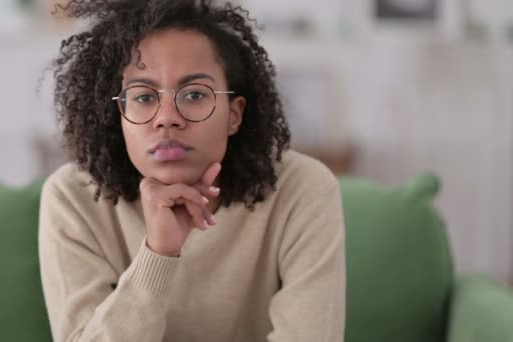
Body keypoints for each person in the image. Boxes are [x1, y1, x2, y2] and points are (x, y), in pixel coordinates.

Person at [38, 0, 346, 341]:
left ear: (234, 114)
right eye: (142, 97)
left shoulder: (302, 189)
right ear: (118, 116)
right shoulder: (72, 198)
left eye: (195, 94)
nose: (167, 117)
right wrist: (157, 254)